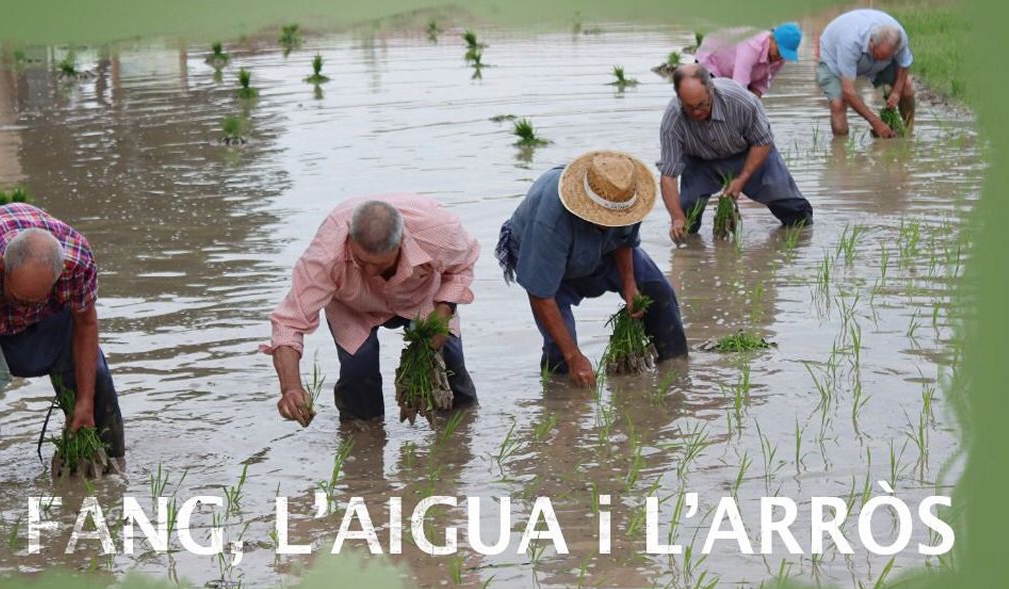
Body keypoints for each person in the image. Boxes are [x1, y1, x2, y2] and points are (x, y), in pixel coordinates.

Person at [0, 203, 125, 505]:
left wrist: (84, 402)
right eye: (16, 298)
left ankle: (113, 476)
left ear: (59, 276)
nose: (22, 309)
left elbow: (86, 323)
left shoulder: (77, 262)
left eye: (32, 301)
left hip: (46, 314)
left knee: (95, 379)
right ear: (2, 269)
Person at [262, 194, 479, 425]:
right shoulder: (325, 256)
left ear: (400, 244)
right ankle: (365, 445)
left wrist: (443, 311)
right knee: (358, 373)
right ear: (349, 240)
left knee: (450, 365)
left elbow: (462, 265)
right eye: (361, 262)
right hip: (353, 307)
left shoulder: (438, 230)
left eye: (381, 264)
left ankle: (460, 439)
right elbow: (289, 321)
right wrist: (291, 388)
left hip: (421, 296)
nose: (371, 274)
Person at [496, 150, 688, 386]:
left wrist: (629, 285)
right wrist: (573, 356)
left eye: (616, 220)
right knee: (560, 350)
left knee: (658, 292)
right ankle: (559, 403)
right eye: (605, 219)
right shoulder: (550, 218)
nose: (611, 225)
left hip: (603, 253)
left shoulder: (628, 195)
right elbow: (541, 293)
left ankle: (676, 373)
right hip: (547, 262)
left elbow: (624, 239)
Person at [658, 64, 813, 243]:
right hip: (700, 162)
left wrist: (742, 178)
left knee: (791, 207)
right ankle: (692, 254)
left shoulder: (740, 101)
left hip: (748, 153)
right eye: (689, 107)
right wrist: (676, 217)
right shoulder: (673, 119)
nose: (696, 112)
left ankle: (803, 240)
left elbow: (762, 141)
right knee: (686, 217)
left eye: (702, 105)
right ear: (679, 98)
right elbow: (668, 174)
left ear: (711, 90)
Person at [817, 8, 915, 137]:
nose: (880, 59)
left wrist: (896, 92)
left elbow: (904, 63)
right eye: (878, 55)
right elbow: (848, 91)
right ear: (871, 42)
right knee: (838, 104)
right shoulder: (850, 42)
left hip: (866, 55)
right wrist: (875, 122)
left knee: (906, 86)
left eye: (886, 57)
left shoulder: (900, 38)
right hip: (834, 57)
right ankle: (840, 150)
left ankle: (909, 134)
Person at [695, 22, 802, 97]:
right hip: (711, 61)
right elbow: (739, 86)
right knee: (712, 104)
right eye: (779, 52)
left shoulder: (781, 58)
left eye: (785, 54)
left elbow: (761, 86)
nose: (780, 58)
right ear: (772, 39)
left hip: (733, 72)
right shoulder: (752, 44)